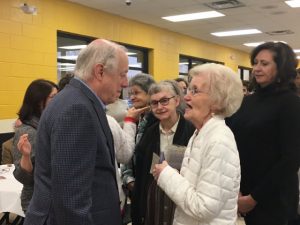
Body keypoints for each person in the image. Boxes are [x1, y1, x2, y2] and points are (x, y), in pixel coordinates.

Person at [23, 39, 129, 225]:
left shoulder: (76, 101)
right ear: (100, 71)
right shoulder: (77, 110)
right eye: (123, 74)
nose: (126, 83)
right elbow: (71, 201)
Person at [153, 63, 244, 225]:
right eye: (188, 90)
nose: (186, 97)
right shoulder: (200, 133)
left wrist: (166, 174)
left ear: (217, 101)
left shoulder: (219, 141)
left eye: (195, 91)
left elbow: (203, 208)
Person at [226, 42, 300, 225]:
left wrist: (253, 198)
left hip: (273, 199)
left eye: (264, 64)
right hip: (240, 193)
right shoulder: (247, 101)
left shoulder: (291, 104)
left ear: (281, 67)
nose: (256, 69)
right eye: (255, 63)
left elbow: (291, 159)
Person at [131, 80, 195, 225]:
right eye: (154, 103)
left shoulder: (191, 131)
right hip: (154, 203)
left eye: (164, 101)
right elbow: (141, 177)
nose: (159, 107)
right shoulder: (149, 135)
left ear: (177, 101)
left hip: (181, 203)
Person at [12, 79, 58, 212]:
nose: (58, 101)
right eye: (53, 97)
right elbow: (22, 177)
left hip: (52, 199)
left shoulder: (49, 124)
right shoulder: (27, 131)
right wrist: (26, 156)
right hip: (38, 203)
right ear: (39, 102)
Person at [121, 73, 157, 193]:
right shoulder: (135, 118)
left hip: (151, 187)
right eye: (130, 93)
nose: (132, 97)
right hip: (135, 187)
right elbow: (127, 151)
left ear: (150, 93)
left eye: (136, 93)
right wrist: (129, 180)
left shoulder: (158, 120)